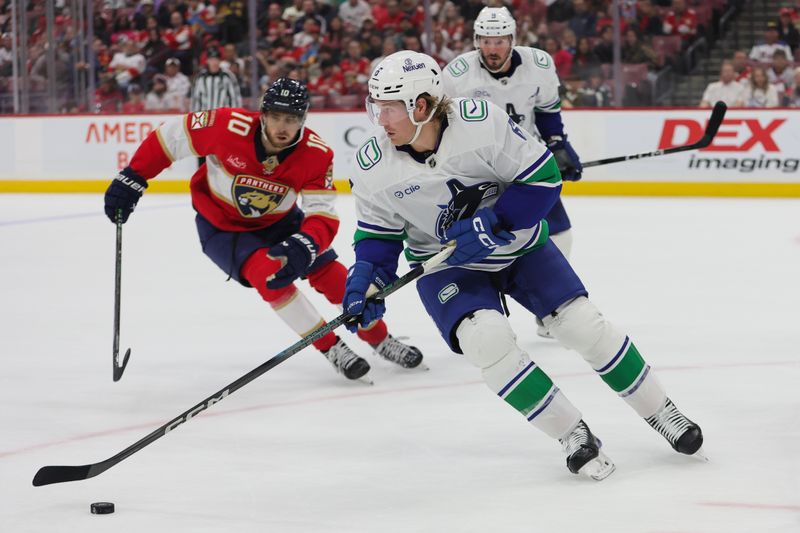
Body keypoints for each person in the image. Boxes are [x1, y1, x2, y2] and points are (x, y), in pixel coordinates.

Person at [343, 50, 705, 481]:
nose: (380, 120)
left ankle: (662, 412)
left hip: (517, 244)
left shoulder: (479, 122)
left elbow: (543, 178)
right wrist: (366, 280)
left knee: (582, 325)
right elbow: (377, 238)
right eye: (376, 107)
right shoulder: (372, 165)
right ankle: (572, 433)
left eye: (389, 108)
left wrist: (497, 219)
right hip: (446, 265)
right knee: (486, 342)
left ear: (422, 106)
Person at [103, 78, 425, 382]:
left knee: (334, 277)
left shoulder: (316, 153)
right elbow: (170, 138)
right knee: (270, 275)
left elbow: (323, 214)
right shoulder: (225, 126)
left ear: (303, 119)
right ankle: (331, 347)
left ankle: (382, 339)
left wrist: (306, 244)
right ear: (262, 114)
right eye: (276, 117)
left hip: (282, 222)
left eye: (292, 119)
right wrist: (134, 176)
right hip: (223, 228)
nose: (283, 128)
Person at [441, 6, 583, 336]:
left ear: (512, 40)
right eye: (486, 41)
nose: (493, 48)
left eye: (500, 40)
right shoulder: (458, 74)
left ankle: (550, 308)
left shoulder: (539, 65)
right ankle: (486, 311)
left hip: (525, 163)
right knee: (482, 239)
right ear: (476, 41)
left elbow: (548, 111)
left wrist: (558, 144)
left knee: (560, 233)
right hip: (481, 170)